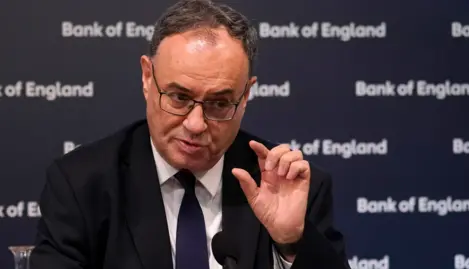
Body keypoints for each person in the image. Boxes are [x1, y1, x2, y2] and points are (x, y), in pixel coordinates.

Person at [30, 0, 350, 268]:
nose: (195, 124)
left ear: (246, 95)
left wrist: (291, 244)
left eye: (219, 103)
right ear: (146, 78)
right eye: (179, 97)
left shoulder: (289, 187)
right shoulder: (81, 184)